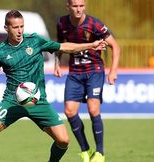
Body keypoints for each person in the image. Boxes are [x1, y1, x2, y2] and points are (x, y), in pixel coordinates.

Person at [0, 9, 107, 162]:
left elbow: (64, 47)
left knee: (63, 140)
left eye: (21, 26)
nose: (19, 31)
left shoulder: (35, 40)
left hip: (38, 100)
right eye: (15, 27)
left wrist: (91, 45)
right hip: (13, 101)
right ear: (6, 28)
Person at [54, 0, 120, 162]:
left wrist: (113, 70)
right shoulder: (62, 23)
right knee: (69, 111)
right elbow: (60, 45)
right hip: (75, 73)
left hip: (94, 71)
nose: (78, 9)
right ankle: (86, 150)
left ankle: (100, 153)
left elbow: (115, 46)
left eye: (81, 6)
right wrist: (57, 63)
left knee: (93, 109)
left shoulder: (94, 24)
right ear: (68, 6)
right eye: (75, 6)